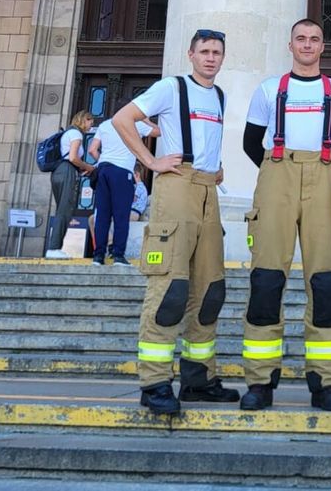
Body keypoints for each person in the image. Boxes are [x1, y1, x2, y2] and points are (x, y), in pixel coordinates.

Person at [110, 29, 237, 414]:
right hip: (176, 187)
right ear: (191, 54)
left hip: (207, 191)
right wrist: (150, 162)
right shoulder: (170, 87)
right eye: (204, 51)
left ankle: (198, 379)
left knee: (210, 289)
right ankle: (154, 383)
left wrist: (215, 168)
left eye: (217, 52)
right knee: (170, 289)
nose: (211, 58)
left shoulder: (219, 95)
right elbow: (122, 119)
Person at [239, 18, 331, 412]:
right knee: (266, 280)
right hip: (277, 173)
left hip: (325, 181)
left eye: (314, 40)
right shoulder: (268, 89)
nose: (307, 45)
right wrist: (279, 170)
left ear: (323, 47)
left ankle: (325, 382)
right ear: (289, 45)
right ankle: (259, 382)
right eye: (301, 39)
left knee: (325, 284)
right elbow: (248, 142)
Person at [87, 113, 159, 265]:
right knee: (121, 215)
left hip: (103, 170)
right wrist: (146, 120)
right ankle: (118, 255)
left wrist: (105, 160)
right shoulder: (134, 122)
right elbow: (159, 132)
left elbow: (92, 149)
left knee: (102, 215)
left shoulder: (105, 124)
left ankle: (98, 256)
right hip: (122, 172)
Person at [46, 110, 95, 259]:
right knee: (65, 211)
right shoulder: (77, 134)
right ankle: (54, 249)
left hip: (58, 172)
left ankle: (54, 247)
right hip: (67, 171)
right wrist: (89, 167)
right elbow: (73, 157)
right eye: (90, 122)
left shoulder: (67, 133)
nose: (90, 127)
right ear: (84, 120)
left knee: (61, 209)